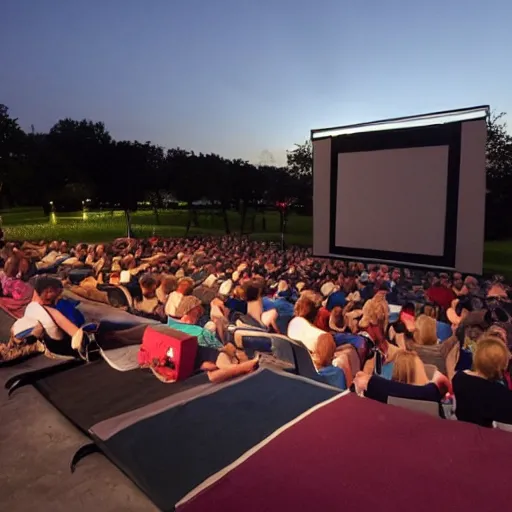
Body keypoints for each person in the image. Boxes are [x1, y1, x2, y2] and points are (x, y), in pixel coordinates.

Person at [452, 335, 512, 427]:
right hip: (486, 436)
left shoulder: (459, 378)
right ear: (502, 365)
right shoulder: (499, 392)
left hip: (462, 429)